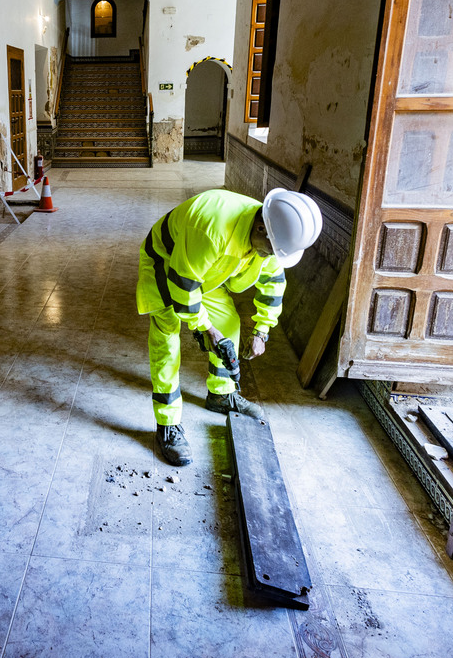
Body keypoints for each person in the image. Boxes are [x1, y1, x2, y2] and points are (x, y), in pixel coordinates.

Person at [137, 188, 323, 466]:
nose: (271, 256)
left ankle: (221, 394)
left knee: (228, 322)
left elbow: (273, 283)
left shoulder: (274, 231)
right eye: (271, 250)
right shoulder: (211, 228)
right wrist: (204, 329)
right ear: (261, 228)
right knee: (167, 341)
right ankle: (168, 424)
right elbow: (183, 284)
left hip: (204, 270)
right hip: (167, 265)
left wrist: (262, 330)